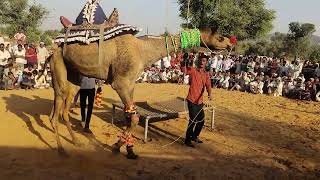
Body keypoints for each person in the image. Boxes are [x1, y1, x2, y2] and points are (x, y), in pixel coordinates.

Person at [181, 54, 212, 148]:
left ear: (206, 63)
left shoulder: (206, 74)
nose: (202, 62)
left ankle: (194, 136)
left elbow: (208, 85)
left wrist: (210, 94)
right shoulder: (193, 70)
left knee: (201, 121)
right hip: (191, 100)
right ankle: (187, 140)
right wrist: (184, 60)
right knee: (193, 120)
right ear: (198, 61)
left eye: (204, 61)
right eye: (201, 60)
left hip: (200, 101)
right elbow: (184, 70)